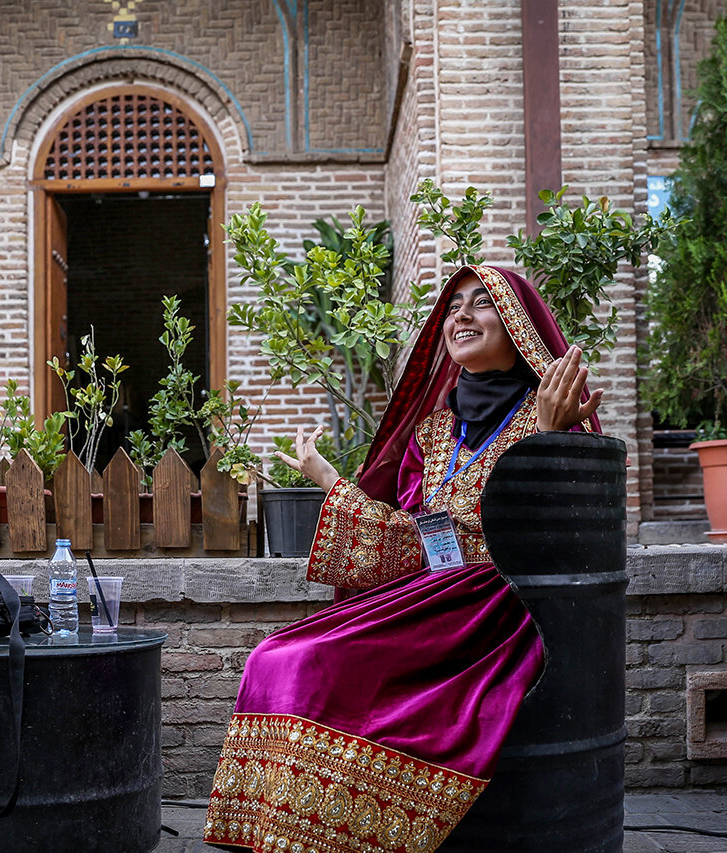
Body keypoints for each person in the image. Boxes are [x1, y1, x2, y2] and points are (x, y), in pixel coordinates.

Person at [203, 264, 603, 853]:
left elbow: (563, 540)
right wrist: (328, 480)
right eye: (453, 306)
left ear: (517, 323)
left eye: (481, 303)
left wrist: (548, 437)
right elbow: (412, 536)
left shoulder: (550, 413)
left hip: (498, 612)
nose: (459, 316)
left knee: (306, 664)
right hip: (430, 597)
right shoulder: (434, 431)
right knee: (272, 656)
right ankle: (284, 830)